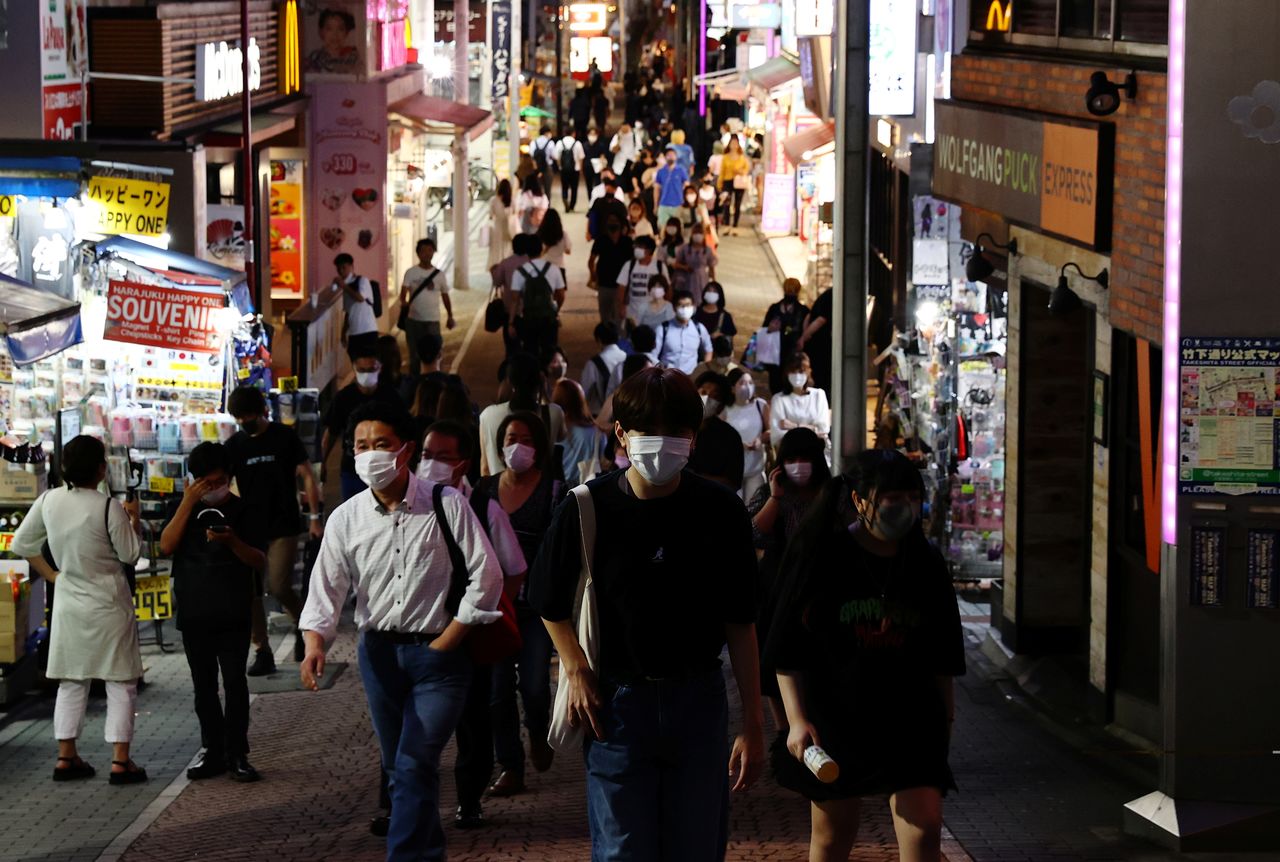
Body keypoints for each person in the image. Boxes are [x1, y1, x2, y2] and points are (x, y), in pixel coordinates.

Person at [529, 367, 765, 860]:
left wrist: (754, 723)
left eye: (676, 432)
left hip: (698, 700)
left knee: (696, 847)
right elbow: (546, 598)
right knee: (622, 849)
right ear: (621, 433)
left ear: (693, 438)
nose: (662, 444)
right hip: (615, 704)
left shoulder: (722, 510)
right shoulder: (586, 506)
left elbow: (741, 622)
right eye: (647, 431)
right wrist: (573, 666)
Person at [299, 401, 504, 862]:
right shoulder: (345, 518)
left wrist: (452, 636)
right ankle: (426, 850)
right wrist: (316, 642)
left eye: (381, 445)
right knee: (401, 767)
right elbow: (327, 586)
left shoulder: (445, 504)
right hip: (379, 657)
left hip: (440, 659)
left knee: (415, 761)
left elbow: (486, 575)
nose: (370, 454)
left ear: (406, 450)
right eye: (361, 446)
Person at [765, 449, 964, 862]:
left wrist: (945, 718)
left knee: (924, 826)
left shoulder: (925, 561)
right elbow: (787, 646)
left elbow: (943, 651)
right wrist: (796, 721)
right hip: (838, 715)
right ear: (860, 500)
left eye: (913, 496)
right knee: (833, 832)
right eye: (893, 498)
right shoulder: (822, 556)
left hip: (912, 717)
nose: (905, 507)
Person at [13, 435, 147, 785]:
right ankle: (120, 762)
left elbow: (21, 544)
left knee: (71, 682)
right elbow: (130, 555)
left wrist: (54, 575)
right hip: (109, 605)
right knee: (120, 682)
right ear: (101, 470)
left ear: (63, 468)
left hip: (69, 604)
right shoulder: (107, 507)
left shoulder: (48, 500)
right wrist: (135, 520)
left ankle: (66, 756)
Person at [419, 420, 528, 830]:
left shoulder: (484, 508)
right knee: (414, 721)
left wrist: (493, 607)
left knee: (473, 720)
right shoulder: (409, 503)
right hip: (420, 631)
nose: (429, 464)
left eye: (440, 457)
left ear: (462, 465)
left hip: (471, 632)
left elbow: (514, 567)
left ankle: (469, 799)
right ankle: (404, 802)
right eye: (425, 455)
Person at [159, 442, 267, 782]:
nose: (212, 488)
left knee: (235, 682)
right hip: (194, 610)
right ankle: (212, 750)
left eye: (218, 481)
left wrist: (232, 542)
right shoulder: (183, 509)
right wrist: (188, 501)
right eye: (205, 482)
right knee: (202, 685)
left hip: (233, 609)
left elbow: (259, 560)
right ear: (193, 480)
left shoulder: (244, 509)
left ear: (229, 479)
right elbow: (166, 545)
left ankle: (238, 752)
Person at [477, 412, 563, 798]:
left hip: (534, 608)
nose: (517, 446)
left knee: (533, 685)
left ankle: (540, 732)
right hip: (493, 607)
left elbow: (563, 551)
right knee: (496, 692)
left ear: (540, 447)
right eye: (511, 437)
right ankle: (510, 766)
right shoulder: (483, 491)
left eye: (526, 439)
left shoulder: (555, 491)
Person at [225, 385, 323, 676]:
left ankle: (304, 624)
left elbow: (307, 475)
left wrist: (315, 517)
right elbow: (226, 485)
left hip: (283, 525)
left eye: (247, 416)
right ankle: (262, 650)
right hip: (249, 529)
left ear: (262, 411)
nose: (243, 422)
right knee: (252, 592)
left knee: (278, 586)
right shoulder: (234, 447)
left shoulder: (283, 437)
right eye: (238, 418)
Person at [321, 348, 405, 501]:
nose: (366, 374)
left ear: (380, 367)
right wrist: (322, 462)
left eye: (371, 369)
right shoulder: (344, 398)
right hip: (352, 471)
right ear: (354, 368)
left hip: (385, 470)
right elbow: (331, 432)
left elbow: (404, 431)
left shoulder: (391, 397)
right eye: (362, 370)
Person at [478, 352, 566, 477]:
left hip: (499, 492)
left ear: (509, 381)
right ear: (539, 380)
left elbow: (485, 468)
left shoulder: (487, 415)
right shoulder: (554, 413)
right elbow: (561, 436)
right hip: (540, 492)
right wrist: (545, 394)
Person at [509, 235, 567, 363]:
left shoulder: (519, 272)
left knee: (530, 351)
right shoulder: (553, 269)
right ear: (542, 250)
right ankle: (547, 377)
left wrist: (511, 323)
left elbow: (515, 300)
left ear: (526, 252)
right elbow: (561, 295)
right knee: (550, 351)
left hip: (529, 318)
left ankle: (534, 377)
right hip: (549, 319)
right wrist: (556, 310)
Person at [400, 238, 453, 376]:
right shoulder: (411, 272)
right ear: (418, 253)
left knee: (435, 354)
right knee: (415, 355)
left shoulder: (439, 275)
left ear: (434, 252)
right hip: (414, 320)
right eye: (423, 251)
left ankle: (434, 381)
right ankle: (415, 384)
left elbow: (445, 296)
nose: (427, 254)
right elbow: (403, 293)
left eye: (430, 250)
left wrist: (450, 316)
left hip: (433, 320)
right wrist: (403, 302)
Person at [688, 372, 745, 493]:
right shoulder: (676, 426)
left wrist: (692, 478)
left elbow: (733, 483)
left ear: (721, 406)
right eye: (703, 392)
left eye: (715, 396)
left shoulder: (730, 437)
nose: (707, 398)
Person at [724, 368, 771, 502]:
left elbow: (770, 431)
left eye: (750, 383)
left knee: (755, 507)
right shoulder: (725, 409)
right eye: (742, 383)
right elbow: (720, 436)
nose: (748, 387)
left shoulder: (760, 405)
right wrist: (737, 444)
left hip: (756, 468)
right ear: (732, 387)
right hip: (733, 471)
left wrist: (760, 440)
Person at [770, 352, 831, 453]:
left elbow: (823, 429)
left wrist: (794, 426)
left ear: (808, 372)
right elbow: (777, 435)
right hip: (791, 454)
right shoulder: (779, 399)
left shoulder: (818, 395)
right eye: (793, 372)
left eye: (801, 371)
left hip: (818, 453)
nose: (797, 376)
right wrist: (811, 428)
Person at [553, 378, 610, 483]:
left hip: (555, 490)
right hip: (584, 490)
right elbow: (604, 463)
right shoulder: (597, 434)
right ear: (581, 401)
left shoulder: (552, 431)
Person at [762, 278, 811, 396]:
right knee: (775, 383)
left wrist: (802, 339)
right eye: (788, 291)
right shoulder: (774, 308)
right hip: (775, 352)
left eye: (793, 291)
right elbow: (763, 328)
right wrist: (770, 329)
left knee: (790, 379)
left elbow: (807, 332)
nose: (790, 294)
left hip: (793, 352)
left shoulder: (803, 311)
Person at [616, 235, 670, 327]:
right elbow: (621, 287)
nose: (636, 249)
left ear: (649, 250)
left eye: (640, 247)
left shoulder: (659, 266)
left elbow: (668, 288)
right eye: (636, 246)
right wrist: (621, 306)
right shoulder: (629, 265)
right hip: (633, 312)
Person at [333, 252, 378, 361]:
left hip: (367, 330)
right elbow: (348, 312)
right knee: (356, 362)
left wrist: (343, 286)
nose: (341, 271)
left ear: (351, 266)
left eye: (344, 267)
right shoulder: (345, 288)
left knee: (368, 363)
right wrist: (344, 332)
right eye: (339, 268)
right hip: (353, 332)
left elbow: (360, 297)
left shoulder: (362, 281)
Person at [589, 216, 633, 325]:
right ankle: (607, 338)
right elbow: (591, 260)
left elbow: (632, 263)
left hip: (621, 285)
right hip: (604, 283)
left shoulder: (627, 242)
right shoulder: (601, 240)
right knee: (605, 315)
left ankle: (617, 338)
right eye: (610, 221)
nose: (612, 224)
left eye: (615, 221)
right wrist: (593, 275)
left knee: (619, 316)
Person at [656, 290, 713, 375]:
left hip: (690, 377)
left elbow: (709, 350)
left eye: (688, 305)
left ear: (693, 306)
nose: (685, 308)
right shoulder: (663, 329)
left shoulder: (699, 328)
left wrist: (703, 371)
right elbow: (653, 355)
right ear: (674, 308)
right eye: (681, 305)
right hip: (667, 376)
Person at [579, 321, 626, 415]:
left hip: (603, 415)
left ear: (599, 340)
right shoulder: (628, 358)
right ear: (618, 337)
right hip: (627, 413)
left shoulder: (593, 364)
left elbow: (584, 391)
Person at [797, 286, 834, 397]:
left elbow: (810, 316)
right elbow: (821, 320)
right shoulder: (833, 296)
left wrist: (804, 334)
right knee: (820, 377)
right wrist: (804, 337)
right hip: (820, 344)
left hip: (813, 342)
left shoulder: (827, 293)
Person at [606, 324, 657, 398]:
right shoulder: (663, 368)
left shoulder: (620, 367)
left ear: (632, 344)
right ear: (654, 344)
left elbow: (610, 396)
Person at [673, 224, 717, 305]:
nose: (697, 235)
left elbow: (712, 266)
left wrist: (713, 283)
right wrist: (685, 267)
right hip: (688, 279)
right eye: (695, 233)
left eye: (700, 233)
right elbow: (676, 264)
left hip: (702, 279)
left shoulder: (707, 250)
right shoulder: (685, 248)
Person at [306, 7, 360, 73]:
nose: (335, 34)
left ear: (346, 33)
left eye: (340, 29)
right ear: (321, 32)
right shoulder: (315, 58)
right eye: (329, 29)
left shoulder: (352, 57)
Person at [718, 136, 752, 235]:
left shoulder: (742, 157)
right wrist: (720, 183)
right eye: (732, 143)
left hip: (739, 182)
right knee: (727, 204)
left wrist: (741, 171)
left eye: (735, 143)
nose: (734, 145)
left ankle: (735, 226)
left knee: (737, 204)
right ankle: (727, 226)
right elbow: (722, 171)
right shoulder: (725, 157)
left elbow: (746, 169)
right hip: (727, 181)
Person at [654, 145, 691, 228]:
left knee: (678, 228)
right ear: (665, 157)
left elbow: (687, 186)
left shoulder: (681, 170)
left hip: (678, 204)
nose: (670, 157)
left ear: (676, 156)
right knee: (662, 228)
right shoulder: (660, 171)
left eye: (673, 155)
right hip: (664, 204)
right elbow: (656, 189)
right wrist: (656, 205)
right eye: (668, 155)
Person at [586, 174, 629, 242]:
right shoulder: (598, 201)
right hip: (600, 235)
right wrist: (588, 232)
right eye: (607, 186)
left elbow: (625, 220)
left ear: (615, 189)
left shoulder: (619, 204)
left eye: (611, 187)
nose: (608, 188)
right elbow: (591, 217)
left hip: (616, 237)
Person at [537, 208, 572, 287]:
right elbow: (568, 251)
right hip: (559, 266)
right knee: (560, 294)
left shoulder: (540, 235)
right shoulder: (563, 235)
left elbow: (538, 253)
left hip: (544, 267)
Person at [488, 179, 517, 272]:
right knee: (507, 251)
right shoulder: (512, 200)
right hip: (509, 230)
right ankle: (507, 272)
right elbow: (515, 213)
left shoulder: (493, 200)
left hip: (498, 230)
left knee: (496, 253)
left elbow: (491, 216)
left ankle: (497, 274)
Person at [554, 129, 585, 212]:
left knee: (564, 186)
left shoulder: (560, 143)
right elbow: (581, 157)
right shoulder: (577, 143)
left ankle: (565, 198)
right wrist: (581, 169)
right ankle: (572, 206)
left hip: (564, 170)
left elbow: (557, 157)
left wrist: (560, 166)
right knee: (574, 188)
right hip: (575, 169)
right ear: (573, 133)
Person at [531, 126, 556, 197]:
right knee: (547, 189)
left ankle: (538, 206)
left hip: (536, 168)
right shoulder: (550, 143)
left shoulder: (534, 142)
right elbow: (555, 156)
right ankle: (547, 206)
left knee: (537, 189)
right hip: (547, 168)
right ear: (547, 133)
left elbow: (531, 155)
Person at [582, 127, 608, 193]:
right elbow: (582, 157)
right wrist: (581, 169)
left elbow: (602, 156)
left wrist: (602, 168)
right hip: (587, 167)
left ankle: (597, 199)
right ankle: (591, 200)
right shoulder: (584, 145)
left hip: (597, 168)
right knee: (589, 185)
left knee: (597, 184)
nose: (592, 136)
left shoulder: (600, 145)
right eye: (591, 134)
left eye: (594, 134)